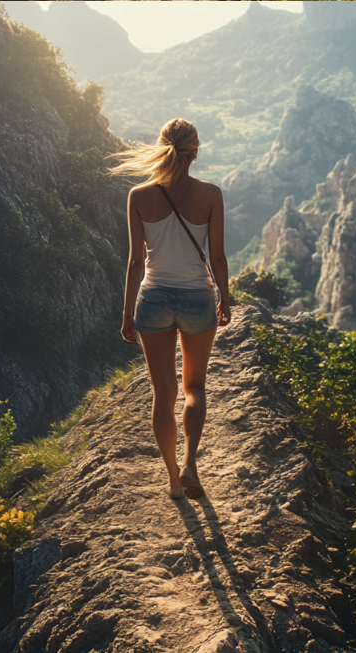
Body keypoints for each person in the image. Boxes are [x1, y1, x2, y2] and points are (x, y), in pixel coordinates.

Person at [109, 118, 231, 500]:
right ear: (195, 153)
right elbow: (218, 256)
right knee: (194, 387)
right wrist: (225, 298)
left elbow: (134, 263)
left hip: (154, 300)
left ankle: (173, 481)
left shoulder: (138, 196)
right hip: (197, 298)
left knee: (164, 392)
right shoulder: (211, 194)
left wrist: (127, 314)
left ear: (163, 147)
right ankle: (190, 462)